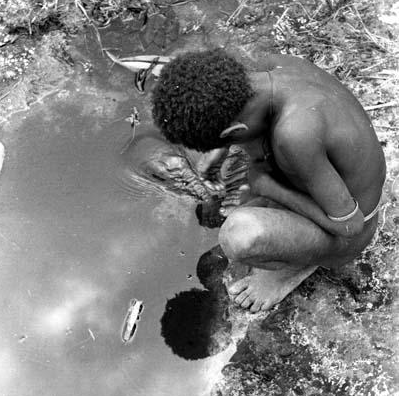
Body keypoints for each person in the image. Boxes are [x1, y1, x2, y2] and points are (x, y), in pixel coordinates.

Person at [151, 49, 386, 312]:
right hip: (323, 178)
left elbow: (350, 225)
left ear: (234, 131)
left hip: (352, 230)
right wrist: (222, 150)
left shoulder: (295, 134)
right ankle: (275, 207)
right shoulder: (270, 68)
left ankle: (293, 268)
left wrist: (269, 187)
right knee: (237, 168)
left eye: (228, 139)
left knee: (238, 236)